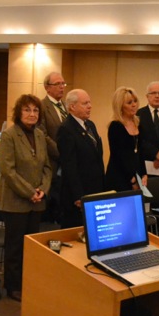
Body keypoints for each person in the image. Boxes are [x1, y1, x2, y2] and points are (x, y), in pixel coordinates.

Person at [0, 95, 52, 302]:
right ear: (19, 113)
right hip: (15, 201)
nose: (32, 114)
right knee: (15, 246)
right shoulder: (9, 135)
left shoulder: (39, 135)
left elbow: (47, 167)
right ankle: (12, 286)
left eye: (35, 110)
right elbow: (7, 171)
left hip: (37, 200)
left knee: (30, 247)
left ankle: (26, 281)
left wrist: (42, 190)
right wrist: (30, 192)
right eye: (27, 110)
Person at [56, 89, 104, 228]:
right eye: (85, 103)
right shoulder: (66, 129)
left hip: (95, 189)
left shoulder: (90, 125)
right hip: (78, 194)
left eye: (89, 102)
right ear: (72, 106)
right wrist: (78, 195)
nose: (90, 106)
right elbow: (69, 165)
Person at [105, 87, 148, 192]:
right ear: (120, 106)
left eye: (135, 101)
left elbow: (140, 152)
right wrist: (132, 180)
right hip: (119, 177)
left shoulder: (138, 124)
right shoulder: (115, 126)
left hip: (136, 175)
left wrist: (144, 174)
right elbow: (118, 156)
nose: (134, 105)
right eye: (129, 103)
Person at [40, 72, 66, 222]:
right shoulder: (42, 106)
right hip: (52, 163)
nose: (62, 87)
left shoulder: (66, 106)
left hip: (66, 166)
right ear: (47, 87)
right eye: (58, 84)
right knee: (51, 204)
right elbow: (43, 136)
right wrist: (62, 153)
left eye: (63, 83)